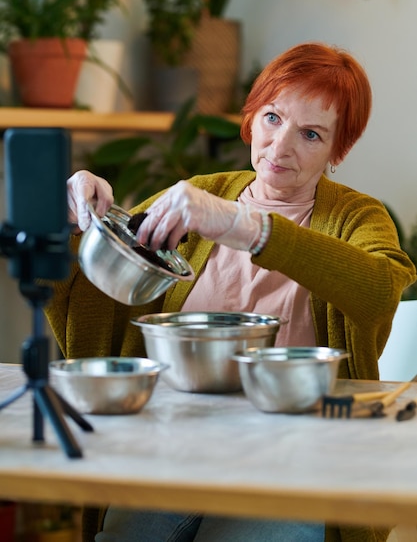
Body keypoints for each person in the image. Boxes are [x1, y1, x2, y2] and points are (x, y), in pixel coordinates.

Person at [47, 42, 416, 542]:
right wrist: (69, 224)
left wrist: (246, 227)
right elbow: (97, 292)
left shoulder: (357, 217)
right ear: (250, 117)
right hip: (175, 446)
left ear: (338, 150)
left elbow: (380, 290)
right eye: (272, 118)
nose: (280, 146)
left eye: (310, 134)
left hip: (298, 455)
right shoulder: (201, 192)